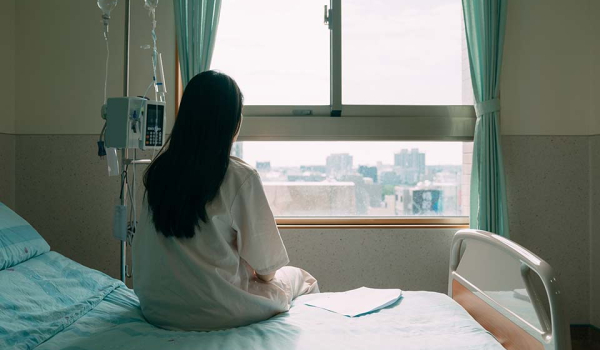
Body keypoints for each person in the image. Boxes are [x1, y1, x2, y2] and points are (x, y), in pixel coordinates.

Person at [132, 71, 319, 331]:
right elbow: (267, 270)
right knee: (303, 279)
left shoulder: (158, 173)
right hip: (217, 310)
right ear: (232, 123)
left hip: (157, 308)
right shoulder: (239, 177)